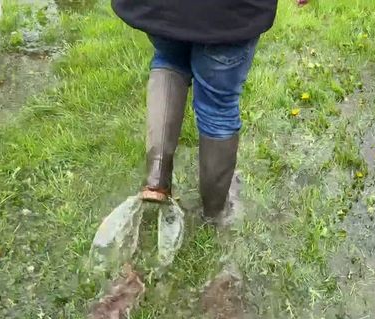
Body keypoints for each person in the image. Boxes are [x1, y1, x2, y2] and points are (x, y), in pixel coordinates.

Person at [110, 0, 278, 223]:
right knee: (217, 108)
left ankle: (157, 178)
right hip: (227, 13)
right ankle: (215, 212)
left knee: (170, 59)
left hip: (162, 8)